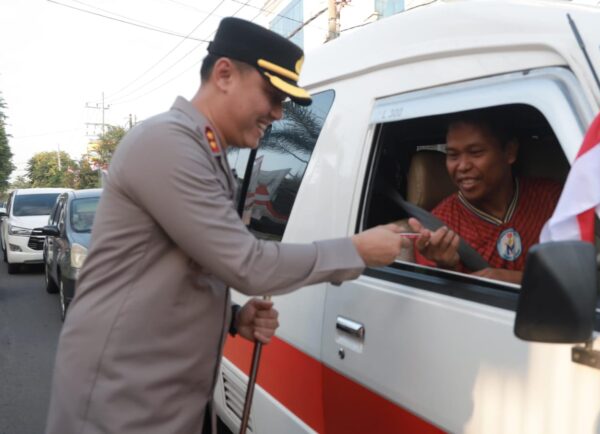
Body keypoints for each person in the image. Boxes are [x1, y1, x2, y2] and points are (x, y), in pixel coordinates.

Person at [46, 17, 404, 434]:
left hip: (159, 399)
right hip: (122, 403)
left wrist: (232, 317)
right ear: (224, 74)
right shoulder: (168, 144)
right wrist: (357, 250)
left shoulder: (204, 152)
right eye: (271, 95)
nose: (277, 113)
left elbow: (182, 271)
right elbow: (246, 264)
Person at [410, 111, 562, 284]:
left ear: (510, 152)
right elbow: (437, 303)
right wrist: (445, 268)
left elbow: (574, 274)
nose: (462, 166)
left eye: (475, 152)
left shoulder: (550, 198)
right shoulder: (438, 229)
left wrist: (511, 279)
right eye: (453, 155)